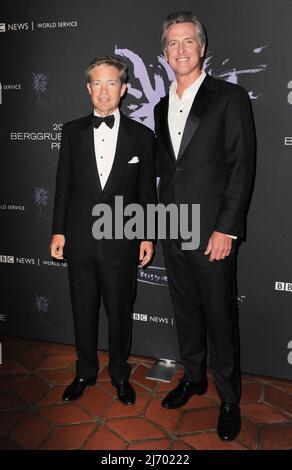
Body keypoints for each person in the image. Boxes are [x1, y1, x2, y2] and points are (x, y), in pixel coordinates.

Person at [154, 11, 255, 441]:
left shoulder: (229, 97)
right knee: (186, 312)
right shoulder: (161, 107)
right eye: (172, 44)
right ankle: (194, 377)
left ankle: (229, 397)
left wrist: (226, 229)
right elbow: (167, 169)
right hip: (172, 225)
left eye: (187, 42)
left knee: (219, 316)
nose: (180, 50)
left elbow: (241, 166)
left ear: (202, 47)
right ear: (164, 53)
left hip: (212, 231)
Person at [50, 56, 156, 405]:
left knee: (119, 313)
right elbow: (63, 185)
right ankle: (84, 371)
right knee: (83, 312)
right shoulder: (72, 131)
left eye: (112, 83)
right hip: (79, 240)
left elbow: (146, 193)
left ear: (124, 89)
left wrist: (147, 235)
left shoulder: (142, 136)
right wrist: (58, 231)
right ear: (88, 88)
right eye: (97, 82)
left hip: (121, 242)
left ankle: (120, 375)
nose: (104, 90)